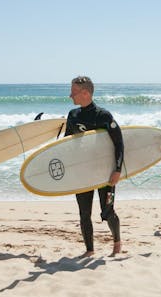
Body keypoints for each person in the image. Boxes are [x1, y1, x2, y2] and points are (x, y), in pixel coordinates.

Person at [65, 76, 124, 257]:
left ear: (85, 93)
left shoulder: (103, 116)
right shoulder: (73, 115)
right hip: (83, 173)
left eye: (73, 92)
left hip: (105, 173)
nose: (70, 96)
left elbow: (119, 143)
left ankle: (117, 242)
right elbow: (66, 145)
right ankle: (89, 250)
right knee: (84, 214)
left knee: (107, 211)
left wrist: (117, 170)